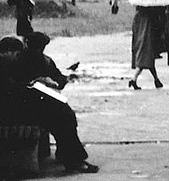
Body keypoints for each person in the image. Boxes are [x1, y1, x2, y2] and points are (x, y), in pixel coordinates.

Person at [0, 35, 99, 173]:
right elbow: (10, 89)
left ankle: (70, 156)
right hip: (8, 110)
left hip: (14, 106)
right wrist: (32, 86)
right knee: (59, 114)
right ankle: (73, 159)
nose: (17, 57)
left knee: (61, 111)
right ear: (6, 52)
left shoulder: (17, 63)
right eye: (15, 54)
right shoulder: (6, 65)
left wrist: (38, 83)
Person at [129, 3, 166, 90]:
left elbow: (134, 28)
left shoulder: (137, 15)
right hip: (148, 40)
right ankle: (134, 79)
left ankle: (156, 80)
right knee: (146, 62)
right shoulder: (150, 15)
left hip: (139, 39)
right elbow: (156, 27)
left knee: (148, 61)